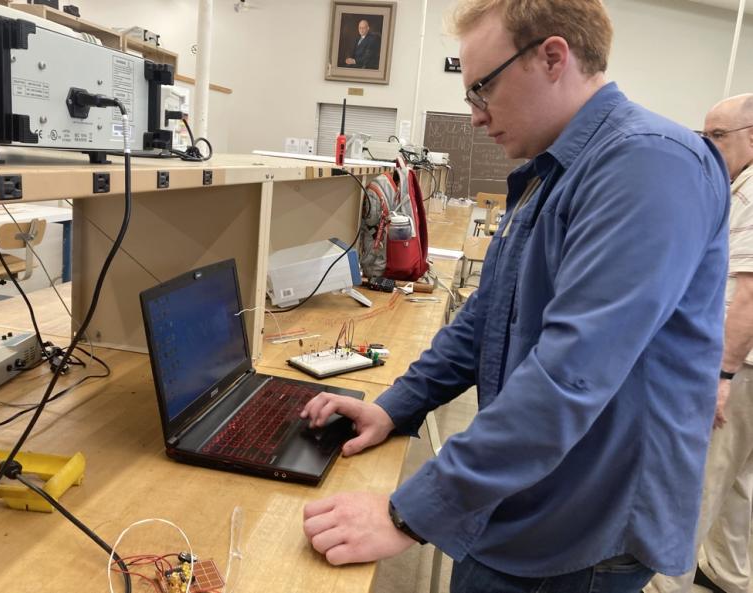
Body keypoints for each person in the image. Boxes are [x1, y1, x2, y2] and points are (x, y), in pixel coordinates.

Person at [301, 1, 730, 592]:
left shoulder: (647, 164)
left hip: (582, 526)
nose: (475, 117)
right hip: (533, 494)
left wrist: (409, 512)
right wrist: (396, 404)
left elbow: (571, 374)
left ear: (553, 57)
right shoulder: (555, 170)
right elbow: (488, 313)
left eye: (482, 89)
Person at [646, 95, 753, 593]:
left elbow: (749, 296)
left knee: (697, 480)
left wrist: (723, 376)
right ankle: (729, 574)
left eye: (717, 136)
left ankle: (668, 583)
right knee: (740, 484)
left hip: (741, 368)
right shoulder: (735, 187)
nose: (706, 145)